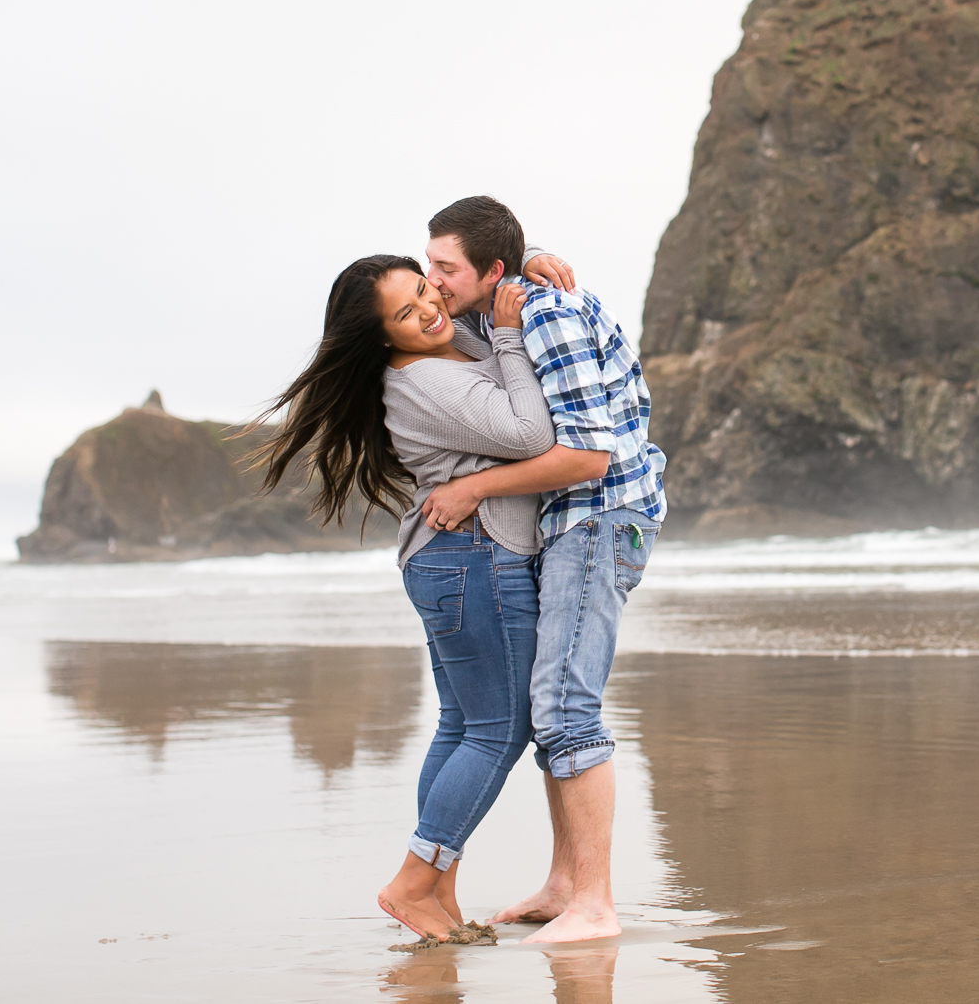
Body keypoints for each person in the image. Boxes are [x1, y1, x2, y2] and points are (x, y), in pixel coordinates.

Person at [248, 251, 598, 943]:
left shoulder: (441, 342)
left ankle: (435, 891)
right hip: (476, 559)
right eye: (405, 313)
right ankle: (414, 880)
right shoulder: (425, 377)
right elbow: (532, 432)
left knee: (461, 726)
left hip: (450, 561)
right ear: (386, 338)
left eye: (423, 288)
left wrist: (522, 261)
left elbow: (475, 287)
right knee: (502, 729)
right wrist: (502, 335)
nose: (428, 308)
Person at [416, 196, 667, 944]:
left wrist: (471, 487)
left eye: (444, 267)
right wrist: (527, 260)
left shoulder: (546, 314)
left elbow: (588, 454)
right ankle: (566, 884)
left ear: (491, 271)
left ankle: (595, 903)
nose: (432, 281)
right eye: (428, 262)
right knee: (550, 698)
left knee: (565, 704)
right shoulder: (508, 305)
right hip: (578, 520)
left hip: (596, 513)